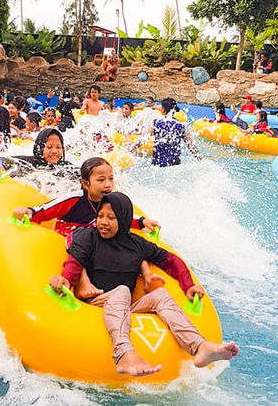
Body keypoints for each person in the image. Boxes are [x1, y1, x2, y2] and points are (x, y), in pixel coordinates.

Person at [50, 192, 239, 377]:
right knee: (122, 290)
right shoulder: (89, 238)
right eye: (100, 216)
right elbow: (74, 263)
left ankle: (199, 346)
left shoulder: (136, 244)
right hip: (96, 303)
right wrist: (65, 279)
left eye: (111, 217)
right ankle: (124, 354)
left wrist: (188, 285)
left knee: (161, 296)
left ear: (123, 220)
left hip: (126, 306)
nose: (103, 222)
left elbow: (171, 260)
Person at [13, 157, 160, 294]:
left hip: (96, 238)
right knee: (83, 239)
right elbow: (47, 210)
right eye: (101, 180)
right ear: (85, 183)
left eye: (111, 179)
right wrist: (30, 211)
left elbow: (123, 217)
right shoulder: (74, 200)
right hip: (72, 238)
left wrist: (141, 221)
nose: (108, 184)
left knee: (128, 240)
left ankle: (146, 275)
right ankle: (83, 281)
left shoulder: (110, 202)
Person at [0, 128, 74, 179]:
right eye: (49, 147)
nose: (54, 151)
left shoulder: (66, 168)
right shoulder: (26, 163)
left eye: (58, 147)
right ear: (39, 148)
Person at [150, 98, 200, 167]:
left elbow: (145, 137)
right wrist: (200, 159)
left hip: (159, 162)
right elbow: (191, 145)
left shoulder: (156, 123)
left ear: (163, 109)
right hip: (175, 164)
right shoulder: (181, 125)